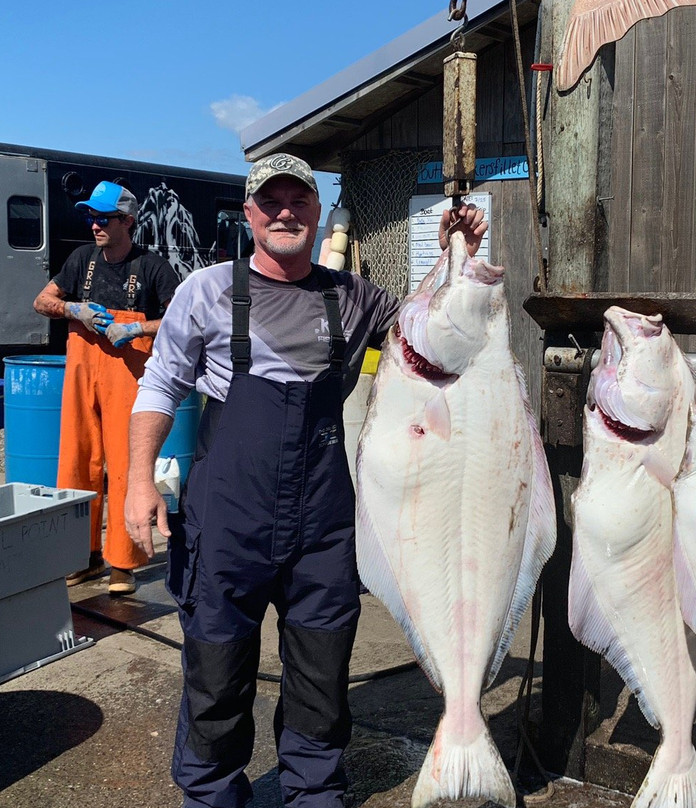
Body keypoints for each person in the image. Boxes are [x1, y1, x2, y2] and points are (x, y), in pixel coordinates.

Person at [124, 152, 487, 808]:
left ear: (318, 214)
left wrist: (450, 253)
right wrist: (138, 482)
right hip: (226, 524)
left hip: (323, 531)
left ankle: (315, 794)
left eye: (299, 200)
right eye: (272, 201)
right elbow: (158, 385)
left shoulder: (354, 298)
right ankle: (210, 796)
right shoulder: (205, 292)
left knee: (320, 683)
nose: (286, 212)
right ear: (250, 212)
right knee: (216, 679)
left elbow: (429, 334)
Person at [33, 181, 180, 595]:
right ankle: (83, 557)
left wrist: (137, 327)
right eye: (90, 217)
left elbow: (179, 318)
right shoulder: (81, 260)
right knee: (77, 461)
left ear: (128, 221)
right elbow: (41, 301)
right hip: (83, 370)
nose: (94, 224)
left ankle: (123, 563)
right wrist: (72, 309)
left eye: (103, 218)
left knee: (124, 464)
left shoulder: (153, 267)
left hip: (127, 374)